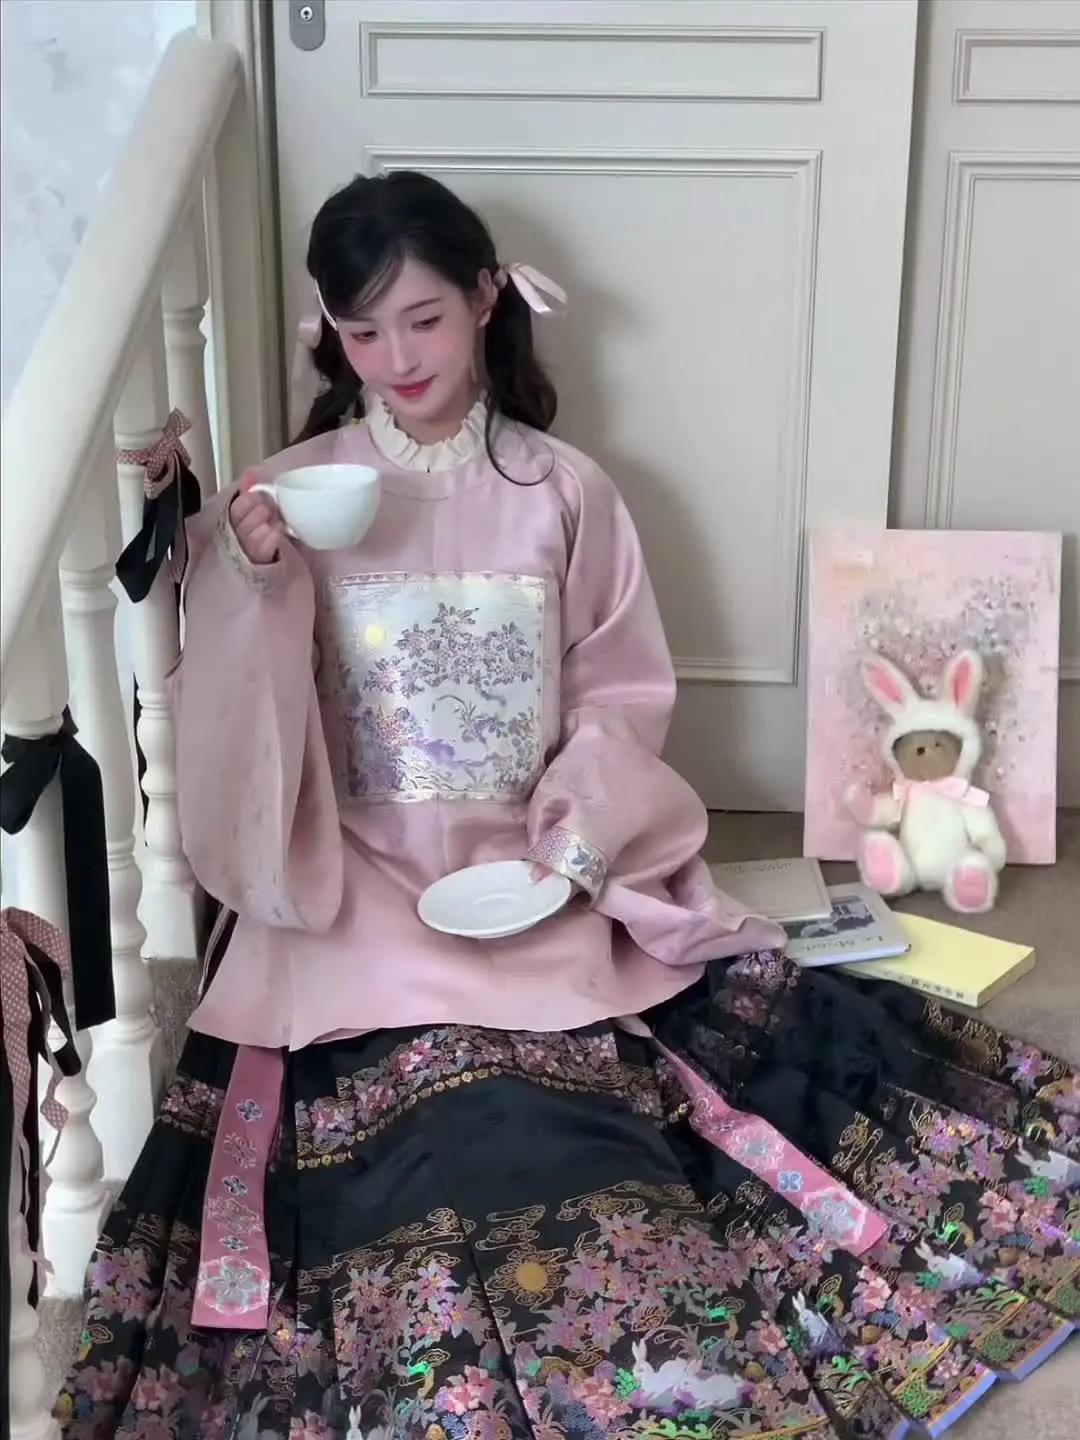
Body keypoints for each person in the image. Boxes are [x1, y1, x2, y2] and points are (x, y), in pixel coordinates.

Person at [57, 172, 1077, 1440]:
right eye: (363, 331)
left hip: (531, 871)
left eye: (424, 319)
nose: (397, 359)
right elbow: (242, 739)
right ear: (330, 331)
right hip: (353, 883)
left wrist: (577, 851)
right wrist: (261, 586)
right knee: (420, 1158)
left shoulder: (564, 491)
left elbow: (617, 696)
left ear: (487, 299)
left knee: (599, 1131)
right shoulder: (291, 496)